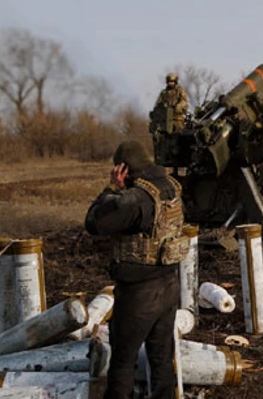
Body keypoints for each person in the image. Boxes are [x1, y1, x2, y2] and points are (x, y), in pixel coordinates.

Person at [85, 140, 187, 399]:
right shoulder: (171, 187)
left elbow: (94, 223)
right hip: (170, 284)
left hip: (139, 293)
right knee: (162, 357)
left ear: (123, 168)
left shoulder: (133, 199)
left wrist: (110, 188)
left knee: (122, 360)